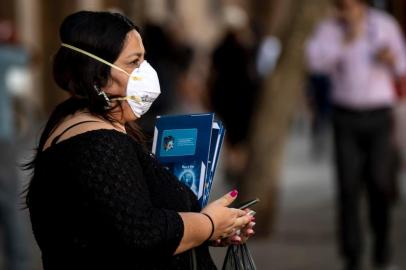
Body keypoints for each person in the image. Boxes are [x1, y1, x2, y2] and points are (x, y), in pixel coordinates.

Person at [24, 11, 255, 270]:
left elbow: (117, 226)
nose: (145, 72)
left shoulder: (82, 127)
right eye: (134, 62)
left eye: (144, 59)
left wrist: (212, 229)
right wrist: (209, 224)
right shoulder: (99, 143)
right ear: (98, 73)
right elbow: (142, 235)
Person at [306, 0, 406, 269]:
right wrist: (346, 41)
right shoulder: (330, 29)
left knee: (380, 183)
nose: (347, 8)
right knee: (348, 187)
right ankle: (352, 255)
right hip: (345, 116)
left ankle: (382, 248)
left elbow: (402, 66)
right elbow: (315, 64)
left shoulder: (384, 26)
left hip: (378, 115)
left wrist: (392, 60)